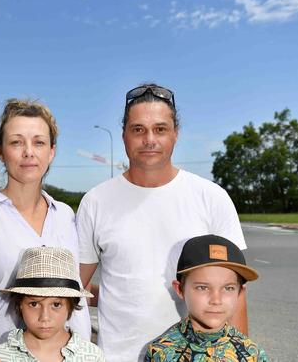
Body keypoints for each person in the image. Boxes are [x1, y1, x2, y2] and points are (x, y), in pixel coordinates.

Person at [76, 83, 248, 361]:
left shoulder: (212, 198)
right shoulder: (95, 202)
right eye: (138, 129)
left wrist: (239, 356)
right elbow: (73, 289)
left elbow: (235, 293)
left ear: (175, 134)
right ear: (124, 136)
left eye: (160, 129)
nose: (149, 140)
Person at [0, 99, 91, 361]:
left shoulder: (65, 215)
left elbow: (70, 289)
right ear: (0, 151)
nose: (28, 152)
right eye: (16, 142)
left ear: (52, 151)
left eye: (38, 142)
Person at [145, 234, 267, 362]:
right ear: (180, 289)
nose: (216, 300)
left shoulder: (252, 353)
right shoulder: (160, 353)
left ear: (239, 293)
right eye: (202, 287)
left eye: (228, 288)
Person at [0, 246, 105, 361]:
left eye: (56, 305)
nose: (45, 317)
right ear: (20, 304)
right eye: (34, 304)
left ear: (71, 305)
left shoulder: (92, 356)